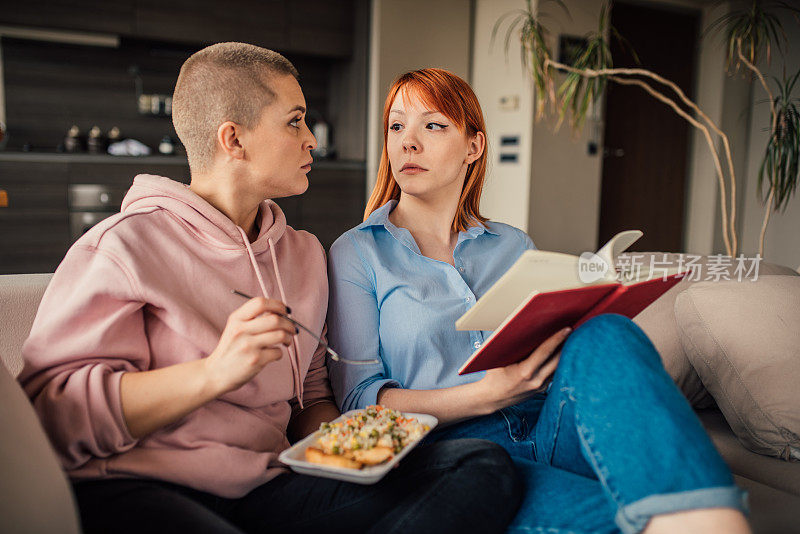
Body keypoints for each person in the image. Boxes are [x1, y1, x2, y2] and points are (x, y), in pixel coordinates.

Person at [18, 45, 522, 534]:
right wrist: (215, 372)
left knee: (479, 464)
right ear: (234, 140)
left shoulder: (301, 254)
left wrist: (352, 443)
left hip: (267, 486)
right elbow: (50, 418)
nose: (311, 141)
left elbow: (312, 397)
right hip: (141, 485)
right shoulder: (123, 245)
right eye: (294, 121)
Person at [326, 67, 751, 534]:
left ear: (474, 146)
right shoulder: (358, 253)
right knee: (634, 520)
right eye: (396, 125)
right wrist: (485, 395)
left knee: (606, 330)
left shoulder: (514, 246)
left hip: (551, 420)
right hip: (462, 458)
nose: (408, 141)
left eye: (433, 125)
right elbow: (357, 402)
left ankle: (710, 518)